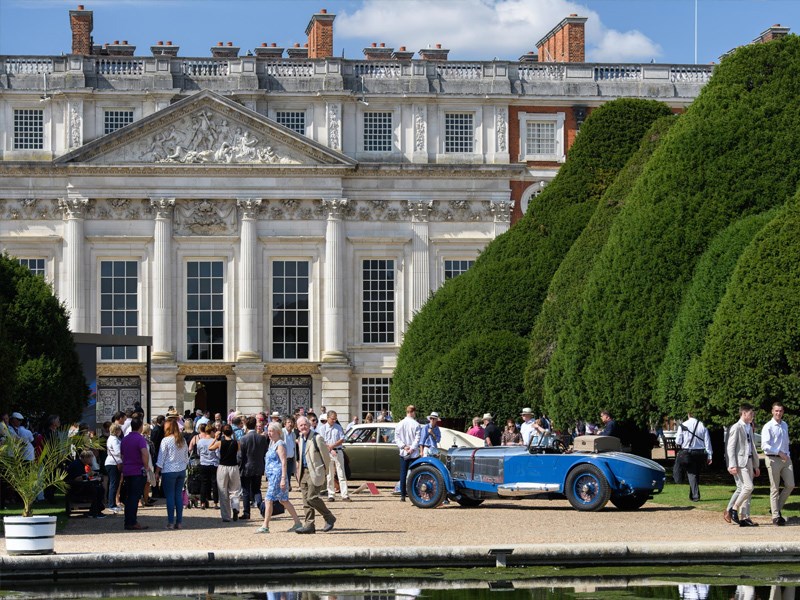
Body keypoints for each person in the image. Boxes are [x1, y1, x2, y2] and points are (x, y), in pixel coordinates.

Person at [257, 422, 302, 533]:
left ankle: (265, 525)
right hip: (273, 476)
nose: (269, 433)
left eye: (271, 431)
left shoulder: (280, 444)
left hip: (277, 476)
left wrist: (283, 478)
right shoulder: (272, 443)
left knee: (268, 500)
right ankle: (297, 522)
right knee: (283, 500)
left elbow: (283, 462)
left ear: (278, 432)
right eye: (269, 431)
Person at [294, 416, 336, 534]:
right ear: (298, 427)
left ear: (309, 425)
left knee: (312, 498)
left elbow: (326, 457)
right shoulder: (300, 438)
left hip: (315, 472)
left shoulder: (317, 438)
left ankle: (329, 517)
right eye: (301, 425)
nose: (303, 427)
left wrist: (325, 472)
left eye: (305, 424)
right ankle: (309, 525)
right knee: (305, 501)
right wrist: (298, 472)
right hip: (303, 472)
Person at [726, 403, 760, 527]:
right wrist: (732, 464)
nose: (753, 416)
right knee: (748, 487)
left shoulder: (749, 426)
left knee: (748, 491)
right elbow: (731, 447)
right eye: (751, 413)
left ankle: (745, 517)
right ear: (744, 413)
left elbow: (752, 447)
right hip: (741, 463)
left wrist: (756, 465)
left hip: (750, 461)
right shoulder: (737, 427)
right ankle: (734, 508)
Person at [761, 402, 794, 526]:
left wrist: (787, 454)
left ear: (783, 412)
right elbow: (765, 445)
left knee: (790, 484)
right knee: (775, 487)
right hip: (773, 458)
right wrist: (779, 452)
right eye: (776, 411)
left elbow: (786, 442)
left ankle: (776, 508)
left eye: (780, 411)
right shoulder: (768, 426)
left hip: (786, 459)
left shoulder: (784, 425)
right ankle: (775, 516)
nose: (778, 413)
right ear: (772, 411)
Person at [155, 418, 190, 530]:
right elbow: (186, 457)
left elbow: (161, 458)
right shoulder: (182, 440)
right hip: (181, 470)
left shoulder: (166, 440)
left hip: (169, 470)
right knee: (178, 496)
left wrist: (157, 472)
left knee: (170, 496)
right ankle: (179, 522)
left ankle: (171, 522)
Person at [674, 412, 712, 502]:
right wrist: (710, 455)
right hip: (700, 453)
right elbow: (707, 442)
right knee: (696, 474)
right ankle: (692, 495)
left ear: (688, 414)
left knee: (692, 474)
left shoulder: (683, 425)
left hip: (688, 452)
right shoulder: (703, 425)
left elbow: (678, 441)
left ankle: (695, 496)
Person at [119, 417, 149, 531]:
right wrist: (146, 467)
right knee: (134, 497)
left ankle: (128, 521)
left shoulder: (125, 439)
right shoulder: (140, 439)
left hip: (127, 470)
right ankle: (132, 521)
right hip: (137, 470)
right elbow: (144, 453)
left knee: (128, 497)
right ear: (141, 427)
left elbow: (122, 456)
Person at [239, 416, 269, 520]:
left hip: (246, 467)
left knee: (246, 491)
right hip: (258, 466)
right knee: (257, 489)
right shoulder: (262, 438)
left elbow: (241, 455)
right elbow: (266, 452)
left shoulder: (243, 439)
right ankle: (262, 508)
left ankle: (246, 512)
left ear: (246, 425)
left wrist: (239, 467)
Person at [210, 424, 242, 522]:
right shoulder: (237, 443)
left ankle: (226, 516)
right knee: (235, 490)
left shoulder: (220, 443)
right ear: (232, 432)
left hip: (223, 467)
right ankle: (235, 507)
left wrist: (215, 438)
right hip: (234, 467)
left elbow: (210, 448)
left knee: (223, 492)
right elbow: (238, 451)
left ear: (223, 433)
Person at [317, 410, 351, 502]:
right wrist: (330, 448)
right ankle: (331, 494)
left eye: (335, 419)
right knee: (330, 474)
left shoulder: (338, 427)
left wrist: (333, 446)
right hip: (328, 453)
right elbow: (322, 441)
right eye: (332, 419)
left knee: (341, 473)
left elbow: (342, 439)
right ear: (328, 418)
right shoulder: (322, 428)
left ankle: (345, 495)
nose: (334, 421)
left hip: (338, 451)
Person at [66, 450, 106, 518]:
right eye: (90, 458)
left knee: (100, 488)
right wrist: (88, 475)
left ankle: (95, 510)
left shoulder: (81, 464)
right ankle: (95, 511)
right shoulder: (77, 465)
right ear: (85, 458)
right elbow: (77, 479)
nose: (91, 460)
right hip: (76, 488)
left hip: (80, 486)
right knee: (97, 490)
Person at [395, 405, 421, 502]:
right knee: (414, 474)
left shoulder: (400, 424)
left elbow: (397, 437)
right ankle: (413, 494)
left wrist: (403, 446)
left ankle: (402, 495)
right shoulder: (416, 424)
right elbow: (417, 438)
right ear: (412, 412)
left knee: (403, 473)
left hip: (403, 451)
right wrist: (412, 448)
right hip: (413, 453)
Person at [195, 423, 219, 509]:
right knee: (214, 483)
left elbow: (198, 452)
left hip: (203, 463)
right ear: (212, 432)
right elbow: (217, 454)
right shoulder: (215, 441)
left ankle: (202, 503)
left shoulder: (200, 441)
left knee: (204, 483)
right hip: (213, 464)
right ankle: (215, 503)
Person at [104, 423, 124, 514]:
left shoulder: (113, 438)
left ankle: (113, 504)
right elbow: (118, 452)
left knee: (114, 484)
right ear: (116, 431)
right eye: (119, 430)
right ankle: (111, 504)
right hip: (113, 463)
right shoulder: (114, 439)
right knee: (113, 483)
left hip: (112, 462)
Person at [282, 416, 297, 490]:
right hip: (282, 460)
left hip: (290, 460)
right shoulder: (281, 433)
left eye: (292, 422)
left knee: (288, 477)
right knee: (283, 478)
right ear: (285, 424)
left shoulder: (293, 434)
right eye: (288, 422)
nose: (290, 424)